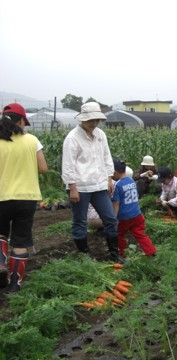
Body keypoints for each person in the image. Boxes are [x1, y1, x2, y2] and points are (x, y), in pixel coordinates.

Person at [61, 102, 124, 263]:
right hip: (80, 187)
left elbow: (107, 157)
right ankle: (85, 256)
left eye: (96, 120)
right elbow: (68, 165)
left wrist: (109, 179)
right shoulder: (72, 138)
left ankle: (115, 254)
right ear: (82, 119)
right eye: (91, 120)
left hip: (99, 185)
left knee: (110, 219)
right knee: (80, 222)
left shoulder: (100, 135)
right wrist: (72, 188)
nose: (94, 123)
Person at [0, 103, 48, 291]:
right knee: (20, 239)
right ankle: (14, 284)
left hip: (2, 196)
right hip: (27, 197)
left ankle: (1, 264)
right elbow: (43, 168)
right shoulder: (32, 140)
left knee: (1, 233)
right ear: (20, 121)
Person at [111, 158, 156, 258]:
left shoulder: (117, 185)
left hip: (124, 217)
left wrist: (114, 218)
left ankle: (122, 254)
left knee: (119, 234)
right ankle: (151, 251)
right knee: (140, 234)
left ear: (115, 172)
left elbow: (116, 203)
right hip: (137, 214)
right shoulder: (130, 181)